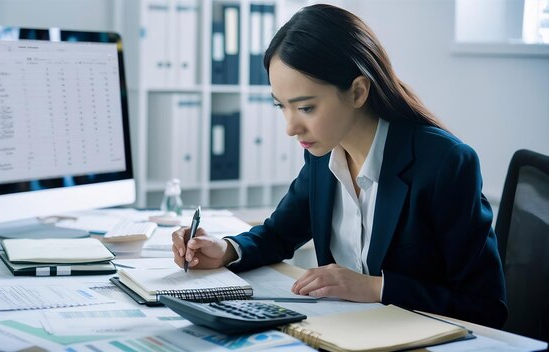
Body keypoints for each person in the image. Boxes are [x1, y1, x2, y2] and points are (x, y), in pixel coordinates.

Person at [171, 4, 507, 328]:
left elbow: (486, 306)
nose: (291, 127)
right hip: (341, 331)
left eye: (305, 108)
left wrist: (375, 287)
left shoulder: (444, 163)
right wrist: (227, 250)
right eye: (282, 107)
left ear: (358, 92)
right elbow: (278, 234)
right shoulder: (323, 154)